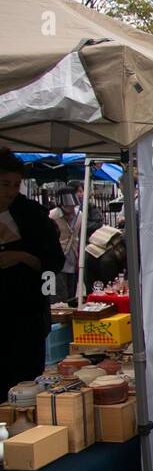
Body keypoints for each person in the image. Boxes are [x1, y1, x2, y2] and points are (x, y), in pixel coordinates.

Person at [0, 148, 65, 395]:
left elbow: (54, 261)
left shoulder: (31, 214)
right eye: (5, 184)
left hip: (25, 314)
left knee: (24, 383)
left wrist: (23, 257)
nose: (10, 192)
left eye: (16, 185)